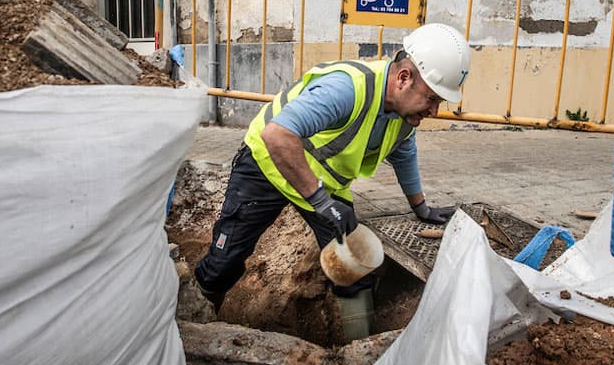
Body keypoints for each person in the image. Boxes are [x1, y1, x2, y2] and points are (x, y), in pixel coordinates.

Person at [193, 23, 472, 340]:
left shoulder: (403, 117)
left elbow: (404, 154)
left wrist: (420, 206)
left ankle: (360, 351)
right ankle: (196, 323)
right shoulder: (347, 89)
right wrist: (320, 201)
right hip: (267, 166)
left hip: (323, 184)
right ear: (404, 78)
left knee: (355, 266)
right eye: (432, 98)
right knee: (225, 261)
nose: (434, 110)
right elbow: (277, 135)